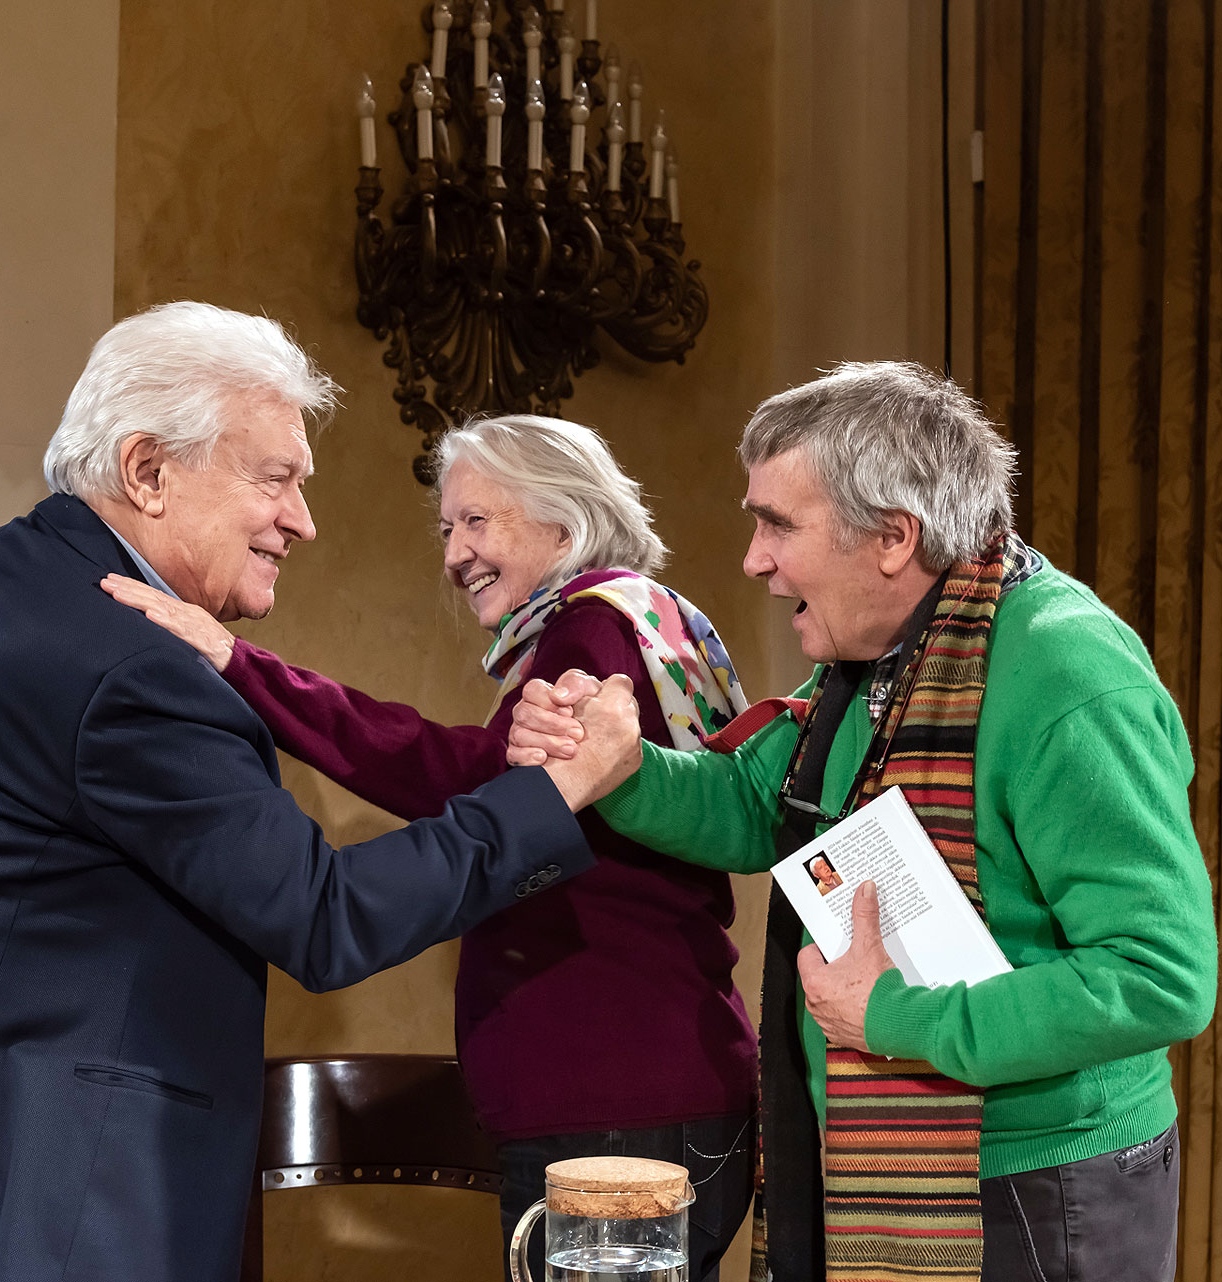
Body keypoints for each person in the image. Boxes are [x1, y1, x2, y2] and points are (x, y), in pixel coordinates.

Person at [0, 303, 642, 1282]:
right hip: (38, 1206)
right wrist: (558, 787)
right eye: (275, 479)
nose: (302, 520)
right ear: (147, 471)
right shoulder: (126, 667)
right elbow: (325, 917)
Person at [509, 362, 1218, 1282]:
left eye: (778, 524)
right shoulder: (878, 656)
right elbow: (759, 807)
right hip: (867, 1156)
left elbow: (1159, 978)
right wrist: (621, 764)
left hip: (1040, 1184)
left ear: (892, 537)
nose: (754, 559)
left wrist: (896, 1018)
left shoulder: (1069, 675)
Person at [101, 414, 758, 1282]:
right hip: (662, 1087)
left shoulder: (591, 631)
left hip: (616, 1107)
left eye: (477, 521)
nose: (454, 555)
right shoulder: (644, 622)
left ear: (564, 523)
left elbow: (475, 781)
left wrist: (244, 667)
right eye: (448, 529)